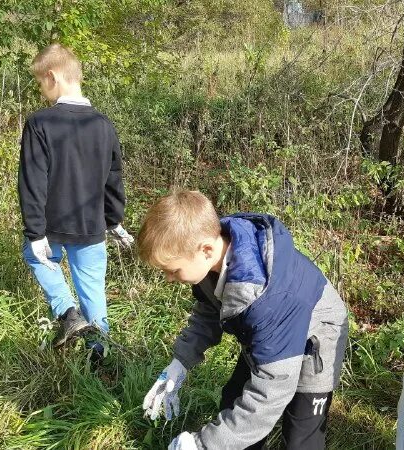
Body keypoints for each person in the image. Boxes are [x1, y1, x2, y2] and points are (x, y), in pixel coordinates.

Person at [136, 189, 348, 450]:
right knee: (234, 399)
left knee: (301, 436)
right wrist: (180, 363)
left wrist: (203, 445)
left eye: (173, 270)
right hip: (267, 334)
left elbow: (267, 398)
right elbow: (208, 313)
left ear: (206, 249)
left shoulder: (267, 299)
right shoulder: (211, 258)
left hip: (316, 333)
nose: (169, 278)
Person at [18, 43, 133, 358]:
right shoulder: (103, 125)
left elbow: (33, 181)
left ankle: (68, 313)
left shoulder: (40, 123)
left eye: (41, 83)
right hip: (91, 226)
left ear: (53, 77)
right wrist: (114, 221)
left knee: (33, 256)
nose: (42, 91)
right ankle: (101, 357)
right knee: (93, 292)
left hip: (51, 226)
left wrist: (34, 231)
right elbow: (113, 179)